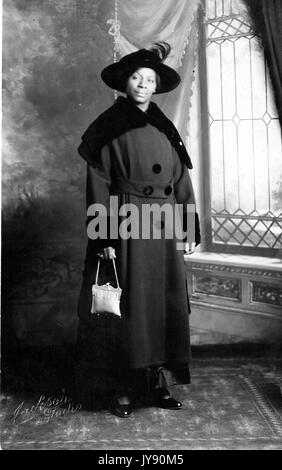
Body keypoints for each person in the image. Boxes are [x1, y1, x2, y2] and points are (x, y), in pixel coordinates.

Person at [75, 43, 200, 418]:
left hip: (163, 223)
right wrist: (104, 237)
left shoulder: (164, 125)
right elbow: (98, 183)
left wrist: (188, 225)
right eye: (136, 78)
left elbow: (181, 179)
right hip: (127, 221)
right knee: (132, 307)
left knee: (164, 304)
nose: (144, 84)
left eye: (150, 79)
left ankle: (156, 385)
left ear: (156, 85)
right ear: (124, 83)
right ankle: (123, 389)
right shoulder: (107, 126)